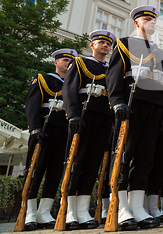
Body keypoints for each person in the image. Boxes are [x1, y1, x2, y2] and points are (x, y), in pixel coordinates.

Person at [106, 5, 163, 230]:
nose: (152, 23)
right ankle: (122, 207)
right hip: (131, 106)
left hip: (155, 107)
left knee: (146, 158)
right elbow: (114, 74)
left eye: (154, 20)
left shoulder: (161, 52)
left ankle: (137, 207)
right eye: (147, 19)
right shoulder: (124, 43)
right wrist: (116, 101)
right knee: (125, 155)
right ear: (137, 23)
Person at [61, 31, 116, 230]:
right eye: (101, 43)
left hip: (104, 117)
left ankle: (82, 210)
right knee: (76, 160)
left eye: (108, 44)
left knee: (93, 163)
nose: (105, 46)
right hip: (84, 115)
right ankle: (67, 210)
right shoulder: (80, 63)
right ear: (92, 45)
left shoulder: (110, 68)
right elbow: (69, 89)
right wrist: (72, 113)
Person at [23, 48, 77, 230]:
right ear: (55, 62)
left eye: (71, 61)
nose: (67, 64)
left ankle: (44, 212)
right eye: (64, 60)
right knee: (35, 170)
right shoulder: (44, 80)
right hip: (44, 130)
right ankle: (29, 211)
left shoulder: (73, 83)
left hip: (63, 132)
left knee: (55, 172)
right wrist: (34, 127)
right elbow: (32, 104)